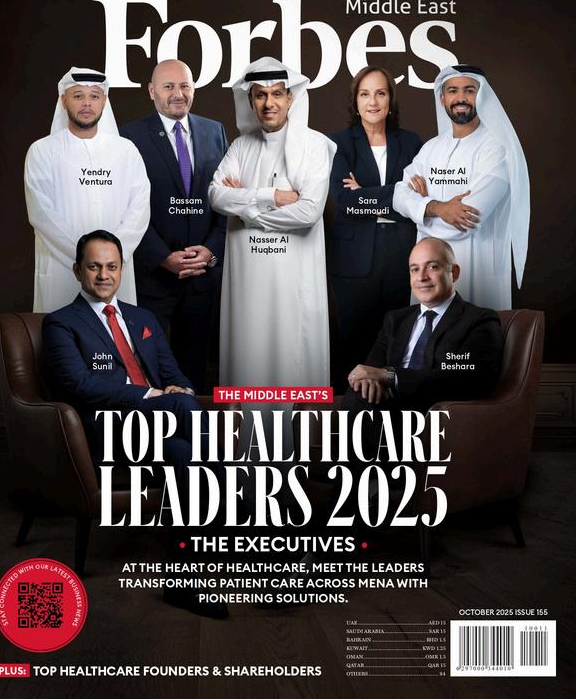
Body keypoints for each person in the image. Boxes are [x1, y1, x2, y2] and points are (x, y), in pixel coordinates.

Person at [42, 230, 227, 618]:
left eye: (111, 266)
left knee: (186, 454)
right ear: (77, 270)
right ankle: (249, 521)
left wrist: (178, 389)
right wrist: (151, 395)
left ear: (122, 269)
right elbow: (80, 385)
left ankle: (183, 582)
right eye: (94, 266)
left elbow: (174, 374)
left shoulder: (143, 318)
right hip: (109, 434)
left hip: (162, 430)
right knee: (188, 417)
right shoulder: (61, 323)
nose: (103, 275)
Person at [208, 56, 336, 506]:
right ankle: (247, 486)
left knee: (290, 367)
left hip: (293, 284)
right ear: (251, 101)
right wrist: (270, 196)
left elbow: (309, 212)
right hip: (247, 287)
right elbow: (215, 193)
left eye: (277, 94)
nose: (268, 103)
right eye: (260, 95)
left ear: (291, 98)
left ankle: (291, 486)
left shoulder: (315, 145)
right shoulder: (240, 146)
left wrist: (248, 212)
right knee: (249, 367)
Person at [120, 60, 228, 393]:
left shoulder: (214, 131)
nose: (178, 94)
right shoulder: (128, 137)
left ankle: (190, 423)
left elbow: (226, 198)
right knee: (149, 368)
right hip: (153, 276)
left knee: (193, 370)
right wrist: (162, 257)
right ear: (152, 91)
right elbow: (125, 206)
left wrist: (211, 250)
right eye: (168, 87)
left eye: (184, 86)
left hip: (202, 277)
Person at [392, 64, 530, 309]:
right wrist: (436, 208)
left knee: (476, 330)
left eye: (469, 90)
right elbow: (398, 195)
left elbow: (465, 223)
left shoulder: (496, 148)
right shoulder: (431, 148)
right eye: (453, 91)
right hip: (430, 278)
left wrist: (419, 213)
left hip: (478, 274)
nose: (461, 98)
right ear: (442, 99)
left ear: (482, 96)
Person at [343, 237, 503, 436]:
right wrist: (367, 381)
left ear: (454, 272)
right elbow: (371, 369)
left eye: (433, 267)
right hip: (384, 409)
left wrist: (391, 376)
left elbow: (469, 378)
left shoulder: (479, 319)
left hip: (432, 415)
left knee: (359, 408)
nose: (422, 277)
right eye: (415, 269)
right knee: (358, 396)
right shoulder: (395, 320)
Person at [24, 67, 150, 312]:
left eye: (94, 96)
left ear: (104, 101)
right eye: (78, 95)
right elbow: (42, 214)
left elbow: (140, 207)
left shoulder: (126, 150)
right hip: (63, 267)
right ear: (64, 101)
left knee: (114, 330)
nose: (86, 103)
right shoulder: (42, 151)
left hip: (116, 267)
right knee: (62, 331)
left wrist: (112, 257)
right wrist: (85, 259)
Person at [328, 66, 423, 389]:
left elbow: (419, 201)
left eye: (380, 93)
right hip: (353, 259)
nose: (373, 101)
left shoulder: (411, 142)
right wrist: (398, 195)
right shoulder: (338, 143)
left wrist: (366, 193)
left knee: (396, 342)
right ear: (355, 101)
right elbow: (346, 202)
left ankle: (392, 414)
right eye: (365, 94)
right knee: (353, 343)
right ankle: (349, 413)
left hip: (400, 254)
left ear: (390, 100)